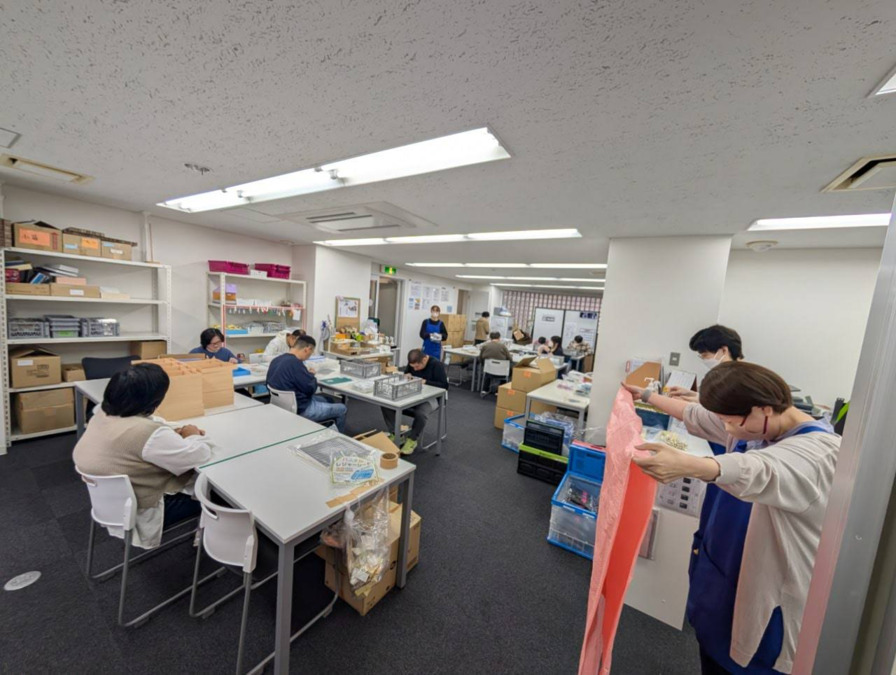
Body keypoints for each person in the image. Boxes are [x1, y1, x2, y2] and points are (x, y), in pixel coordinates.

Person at [624, 362, 839, 674]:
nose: (726, 429)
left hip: (767, 601)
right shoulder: (755, 426)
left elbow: (759, 470)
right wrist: (645, 395)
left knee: (745, 660)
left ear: (764, 409)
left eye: (730, 421)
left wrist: (692, 465)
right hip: (720, 575)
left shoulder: (821, 453)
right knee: (712, 651)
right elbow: (694, 415)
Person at [73, 363, 212, 549]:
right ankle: (208, 540)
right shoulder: (148, 434)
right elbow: (200, 455)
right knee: (215, 492)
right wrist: (192, 434)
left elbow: (149, 427)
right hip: (142, 510)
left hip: (108, 503)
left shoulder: (101, 413)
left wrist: (170, 433)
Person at [266, 334, 347, 432]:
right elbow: (310, 389)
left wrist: (305, 375)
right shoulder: (296, 364)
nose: (309, 357)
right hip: (301, 408)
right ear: (307, 349)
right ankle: (338, 437)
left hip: (281, 405)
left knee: (328, 399)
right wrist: (311, 376)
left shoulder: (277, 360)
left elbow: (268, 382)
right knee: (342, 408)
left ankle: (322, 429)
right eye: (311, 353)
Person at [381, 348, 448, 455]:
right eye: (413, 367)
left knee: (421, 412)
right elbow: (407, 372)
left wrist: (425, 381)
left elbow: (444, 386)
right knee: (386, 403)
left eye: (417, 366)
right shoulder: (413, 363)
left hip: (432, 398)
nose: (415, 369)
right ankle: (397, 434)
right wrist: (406, 375)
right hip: (413, 394)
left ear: (424, 360)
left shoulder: (437, 365)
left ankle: (412, 439)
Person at [668, 325, 745, 402]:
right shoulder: (726, 374)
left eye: (705, 355)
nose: (704, 360)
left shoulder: (742, 379)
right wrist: (690, 394)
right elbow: (715, 400)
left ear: (724, 350)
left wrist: (693, 402)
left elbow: (723, 406)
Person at [479, 331, 513, 395]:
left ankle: (485, 389)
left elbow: (480, 357)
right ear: (499, 338)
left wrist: (484, 365)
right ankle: (499, 390)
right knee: (509, 370)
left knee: (488, 369)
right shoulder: (503, 346)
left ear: (490, 338)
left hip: (489, 370)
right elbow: (510, 359)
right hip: (501, 372)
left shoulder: (485, 346)